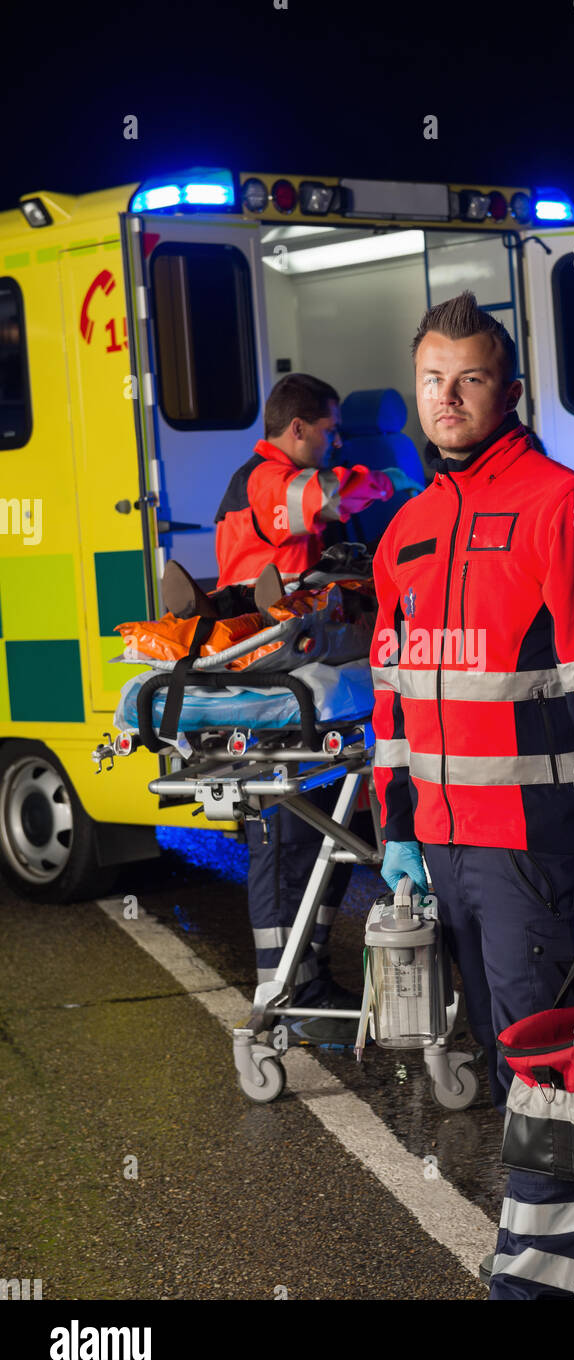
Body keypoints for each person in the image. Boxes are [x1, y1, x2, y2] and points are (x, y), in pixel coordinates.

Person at [370, 291, 574, 1300]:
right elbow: (391, 689)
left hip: (531, 840)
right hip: (442, 845)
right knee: (515, 1061)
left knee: (537, 1060)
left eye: (471, 379)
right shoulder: (404, 529)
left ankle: (532, 1283)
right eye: (431, 379)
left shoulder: (559, 504)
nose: (447, 398)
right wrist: (395, 824)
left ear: (510, 391)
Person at [163, 373, 411, 1015]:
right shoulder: (265, 478)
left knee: (326, 830)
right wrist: (385, 480)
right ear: (296, 428)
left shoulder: (262, 479)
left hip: (292, 669)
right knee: (284, 837)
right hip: (265, 672)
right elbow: (321, 498)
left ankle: (311, 973)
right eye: (327, 432)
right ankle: (279, 988)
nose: (332, 443)